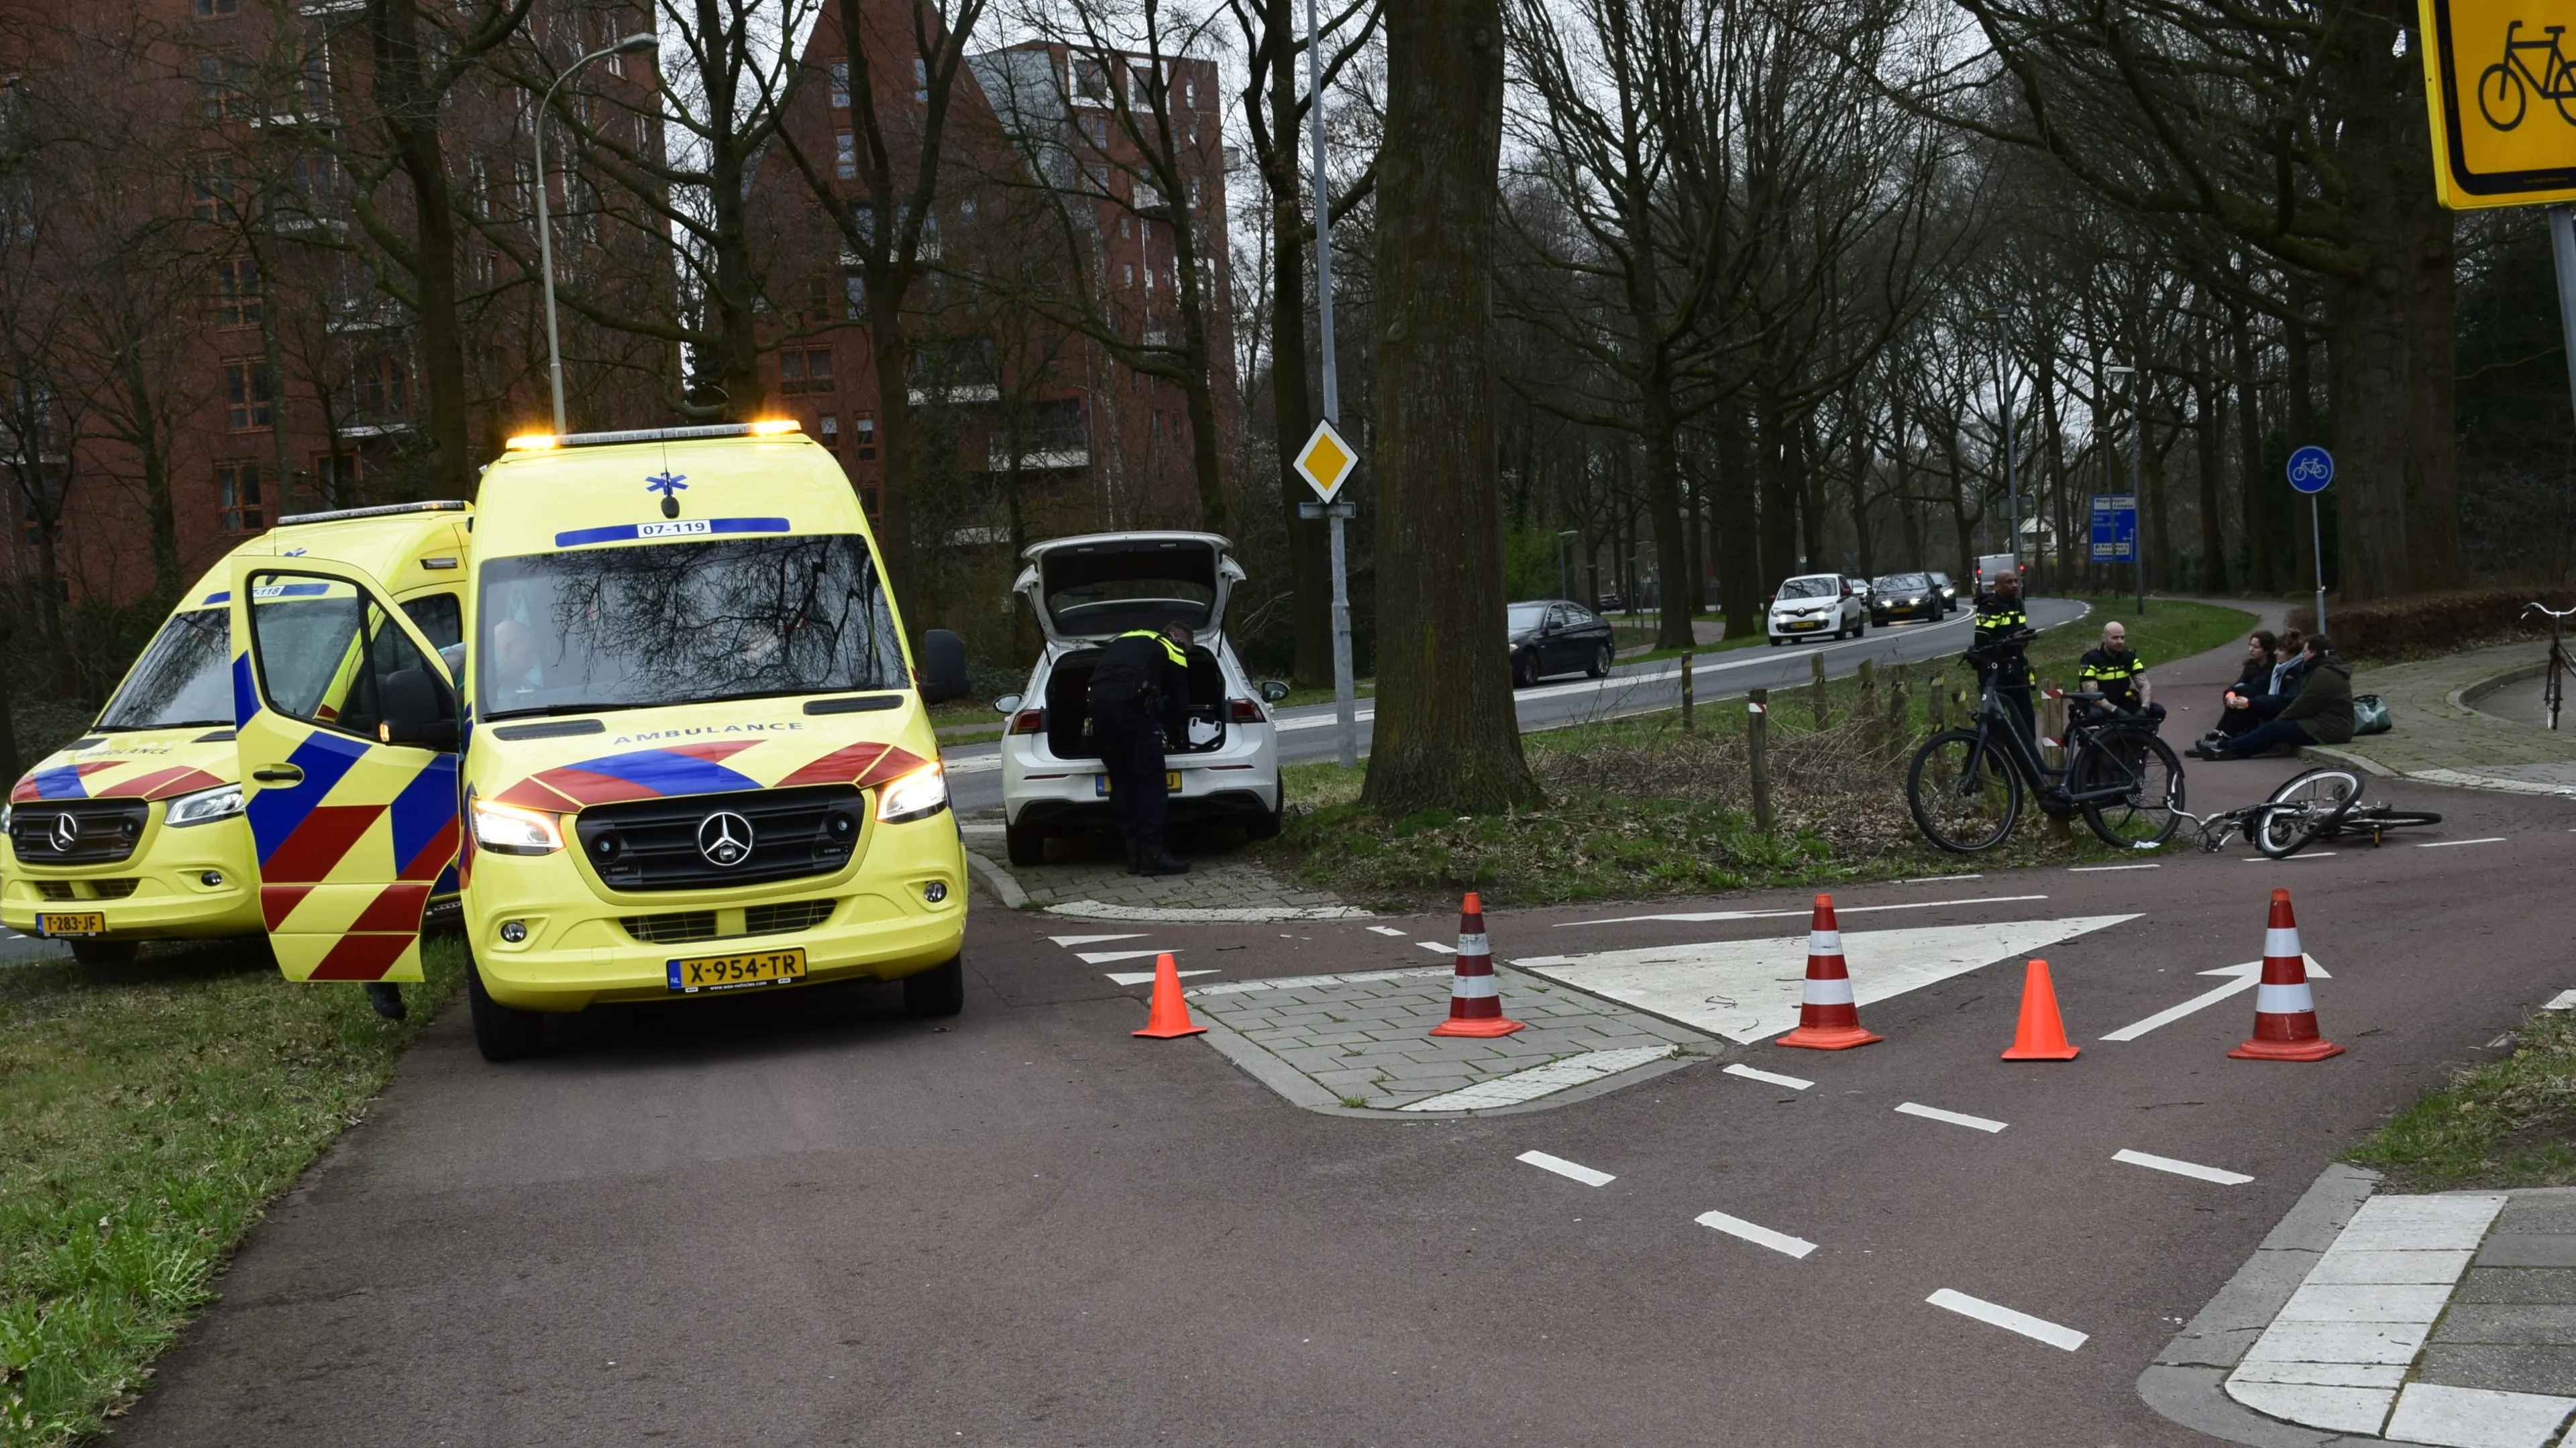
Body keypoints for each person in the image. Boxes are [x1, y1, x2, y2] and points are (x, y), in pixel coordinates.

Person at [1087, 620, 1195, 875]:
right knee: (1150, 778)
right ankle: (1153, 855)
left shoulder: (1124, 639)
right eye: (1188, 650)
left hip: (1097, 705)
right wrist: (1168, 729)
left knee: (1122, 778)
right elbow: (1181, 702)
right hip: (1129, 704)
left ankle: (1133, 854)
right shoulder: (1172, 646)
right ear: (1180, 638)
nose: (1184, 653)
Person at [2190, 634, 2353, 759]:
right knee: (2258, 709)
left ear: (2313, 653)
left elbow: (2303, 704)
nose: (2303, 655)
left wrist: (2278, 720)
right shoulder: (2317, 670)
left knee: (2274, 728)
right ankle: (2222, 741)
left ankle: (2227, 749)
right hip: (2319, 721)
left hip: (2329, 728)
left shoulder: (2324, 674)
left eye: (2305, 651)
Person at [1970, 567, 2037, 742]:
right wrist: (2009, 640)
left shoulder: (2018, 603)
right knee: (1995, 719)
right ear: (1998, 586)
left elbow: (2021, 629)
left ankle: (2028, 753)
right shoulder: (1989, 607)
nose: (2014, 585)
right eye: (2009, 582)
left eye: (2016, 581)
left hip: (2016, 665)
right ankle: (1996, 756)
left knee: (2025, 715)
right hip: (1994, 669)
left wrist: (2023, 638)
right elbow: (1982, 640)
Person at [2077, 620, 2163, 729]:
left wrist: (2144, 709)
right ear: (2104, 638)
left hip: (2122, 700)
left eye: (2122, 638)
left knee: (2158, 711)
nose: (2120, 641)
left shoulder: (2129, 657)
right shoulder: (2091, 659)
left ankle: (2137, 737)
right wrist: (2116, 711)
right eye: (2115, 638)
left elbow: (2144, 685)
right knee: (2096, 716)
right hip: (2098, 704)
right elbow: (2092, 694)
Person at [2209, 631, 2279, 744]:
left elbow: (2261, 692)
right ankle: (2218, 735)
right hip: (2247, 704)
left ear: (2267, 650)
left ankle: (2223, 736)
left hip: (2262, 706)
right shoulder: (2251, 666)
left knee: (2244, 692)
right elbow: (2236, 686)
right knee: (2238, 694)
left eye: (2256, 647)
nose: (2251, 649)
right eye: (2250, 645)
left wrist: (2243, 696)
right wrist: (2230, 697)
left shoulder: (2274, 669)